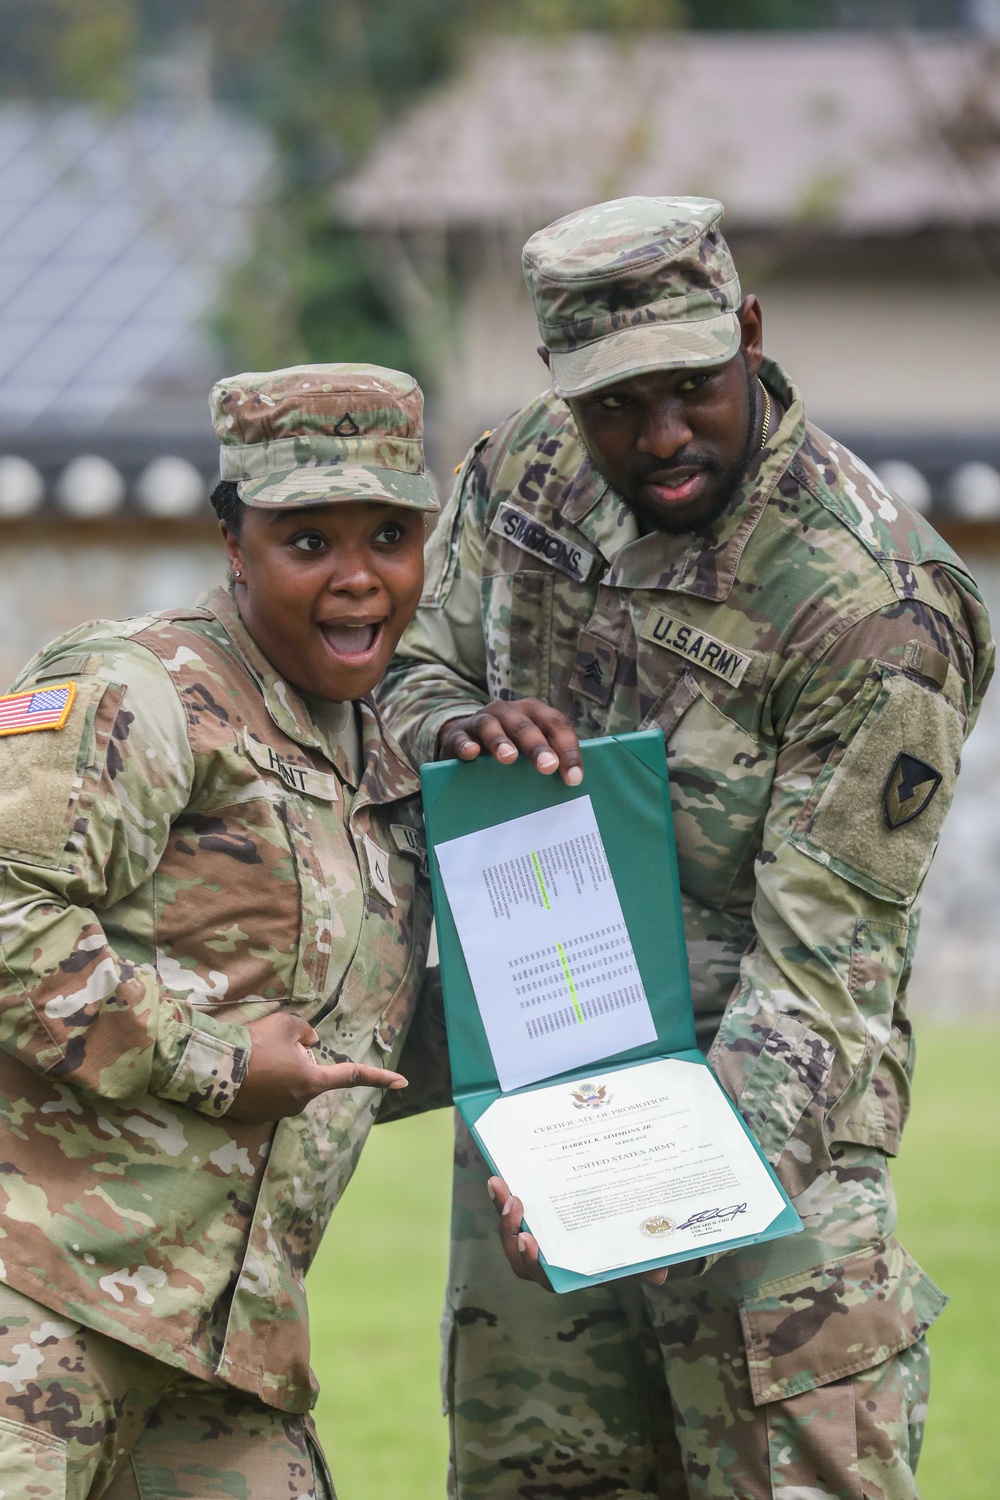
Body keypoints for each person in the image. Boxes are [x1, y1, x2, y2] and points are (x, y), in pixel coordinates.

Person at [378, 198, 995, 1500]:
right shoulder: (527, 471)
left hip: (769, 1171)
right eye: (614, 404)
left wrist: (639, 1203)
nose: (659, 436)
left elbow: (822, 982)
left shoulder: (871, 603)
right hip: (541, 1135)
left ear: (752, 336)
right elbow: (410, 666)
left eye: (690, 389)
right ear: (559, 386)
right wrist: (456, 722)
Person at [0, 363, 440, 1499]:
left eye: (389, 535)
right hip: (39, 1304)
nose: (358, 581)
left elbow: (346, 1033)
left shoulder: (378, 755)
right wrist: (216, 1059)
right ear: (234, 541)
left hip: (223, 1346)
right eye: (308, 543)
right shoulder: (140, 690)